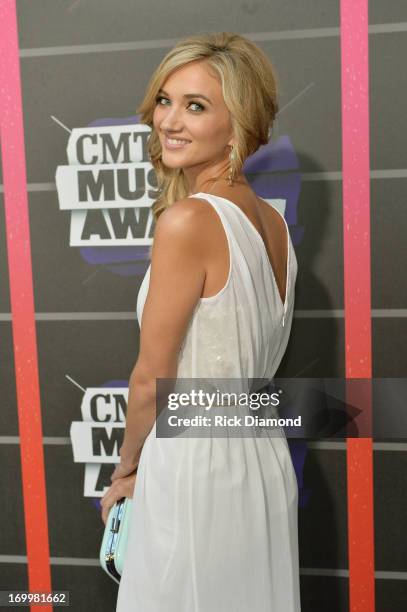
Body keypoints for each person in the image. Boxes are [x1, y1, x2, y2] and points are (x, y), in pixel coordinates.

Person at [100, 31, 301, 611]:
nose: (169, 121)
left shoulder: (187, 221)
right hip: (261, 457)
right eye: (165, 101)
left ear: (239, 123)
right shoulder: (275, 225)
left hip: (192, 463)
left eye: (196, 106)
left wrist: (127, 470)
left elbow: (150, 378)